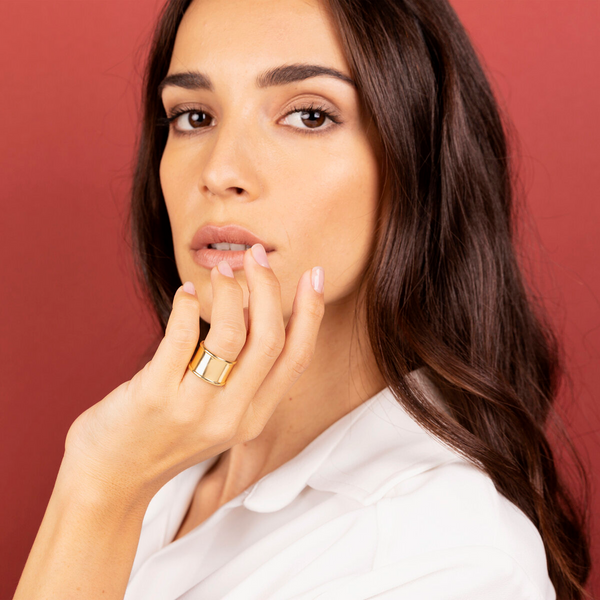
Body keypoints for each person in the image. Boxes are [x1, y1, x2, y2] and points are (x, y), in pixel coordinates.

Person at [14, 0, 592, 598]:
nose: (220, 170)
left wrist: (99, 490)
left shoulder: (452, 556)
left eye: (309, 115)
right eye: (193, 116)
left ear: (413, 163)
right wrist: (103, 482)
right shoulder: (158, 459)